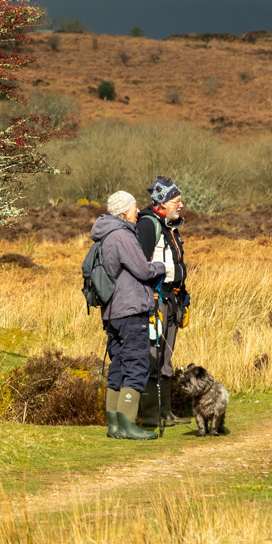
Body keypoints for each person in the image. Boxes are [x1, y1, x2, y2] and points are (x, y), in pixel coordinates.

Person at [91, 190, 167, 440]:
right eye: (135, 208)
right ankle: (128, 424)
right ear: (124, 211)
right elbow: (143, 270)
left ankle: (114, 425)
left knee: (119, 365)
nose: (138, 211)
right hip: (130, 309)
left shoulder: (105, 234)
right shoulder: (122, 235)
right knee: (136, 364)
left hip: (112, 312)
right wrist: (161, 267)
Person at [135, 176, 190, 429]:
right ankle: (151, 415)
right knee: (152, 356)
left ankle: (167, 413)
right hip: (155, 301)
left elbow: (176, 266)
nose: (180, 205)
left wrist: (184, 299)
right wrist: (147, 301)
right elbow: (139, 266)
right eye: (176, 201)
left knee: (166, 357)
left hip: (173, 299)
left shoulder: (171, 226)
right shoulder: (148, 226)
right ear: (163, 202)